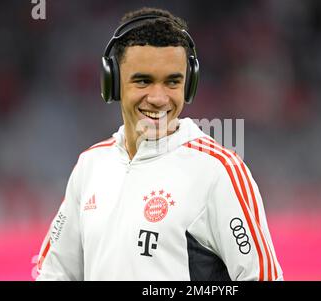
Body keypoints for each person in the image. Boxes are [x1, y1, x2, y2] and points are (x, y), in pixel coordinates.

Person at [36, 7, 283, 281]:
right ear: (113, 82)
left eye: (172, 82)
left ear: (189, 84)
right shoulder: (90, 165)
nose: (158, 97)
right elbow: (53, 273)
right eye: (143, 81)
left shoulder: (220, 171)